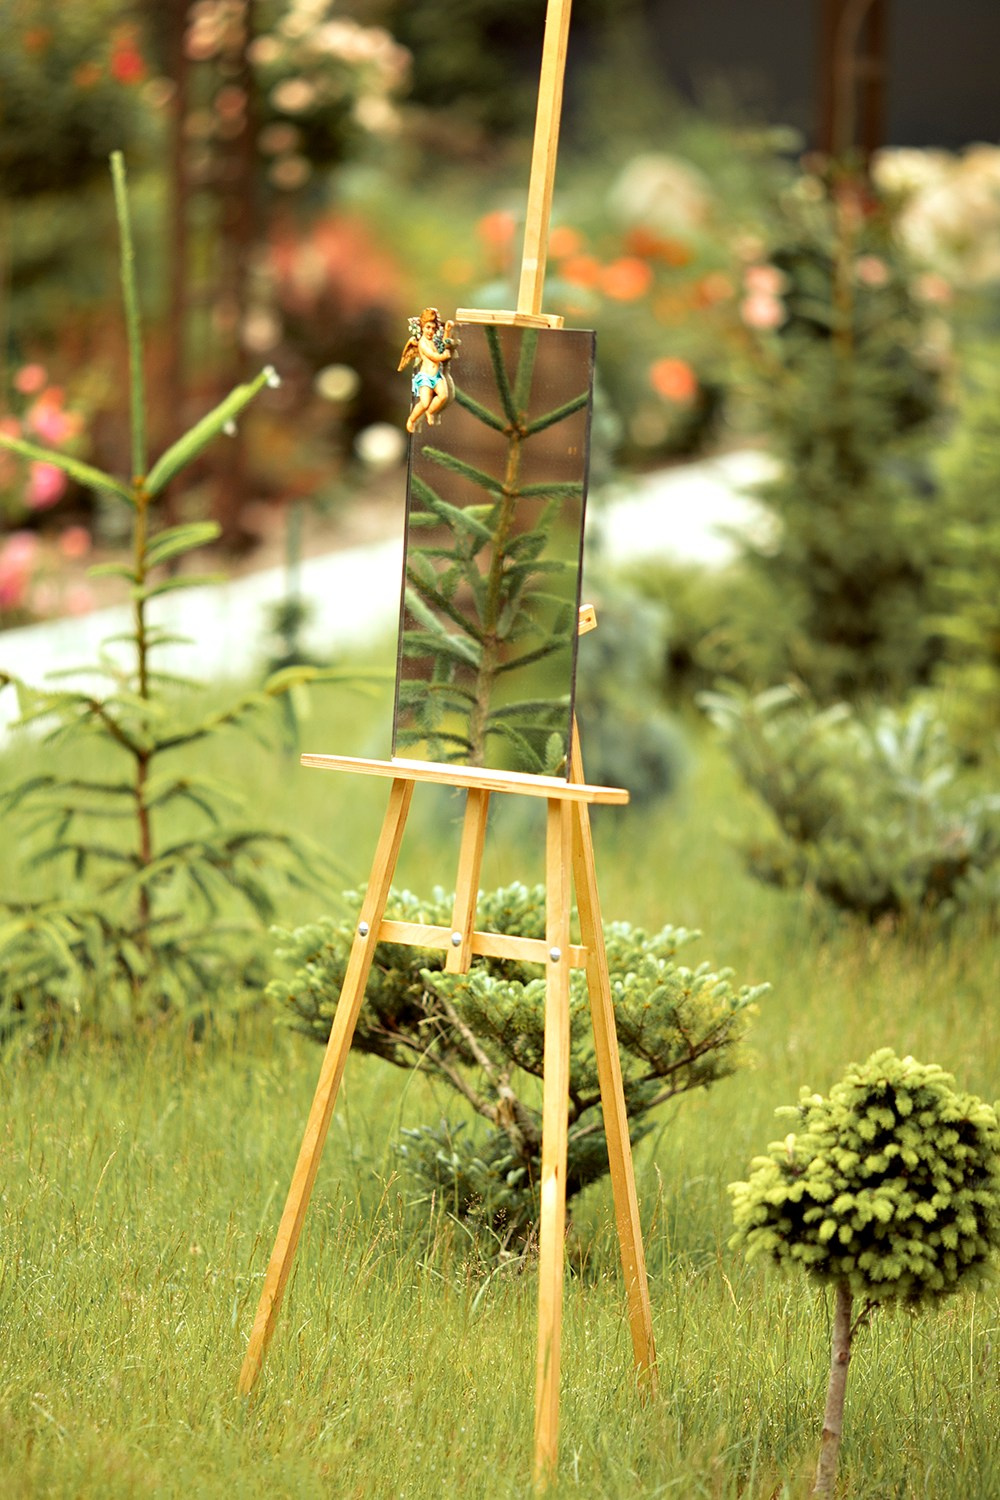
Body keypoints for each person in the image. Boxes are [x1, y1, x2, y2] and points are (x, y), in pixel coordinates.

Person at [398, 308, 457, 432]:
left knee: (443, 396)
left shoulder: (434, 341)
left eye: (433, 328)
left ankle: (430, 412)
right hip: (426, 377)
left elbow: (443, 345)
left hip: (436, 376)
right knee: (424, 403)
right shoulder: (422, 343)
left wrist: (447, 330)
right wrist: (443, 356)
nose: (430, 331)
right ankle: (412, 419)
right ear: (422, 327)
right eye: (428, 327)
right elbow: (434, 356)